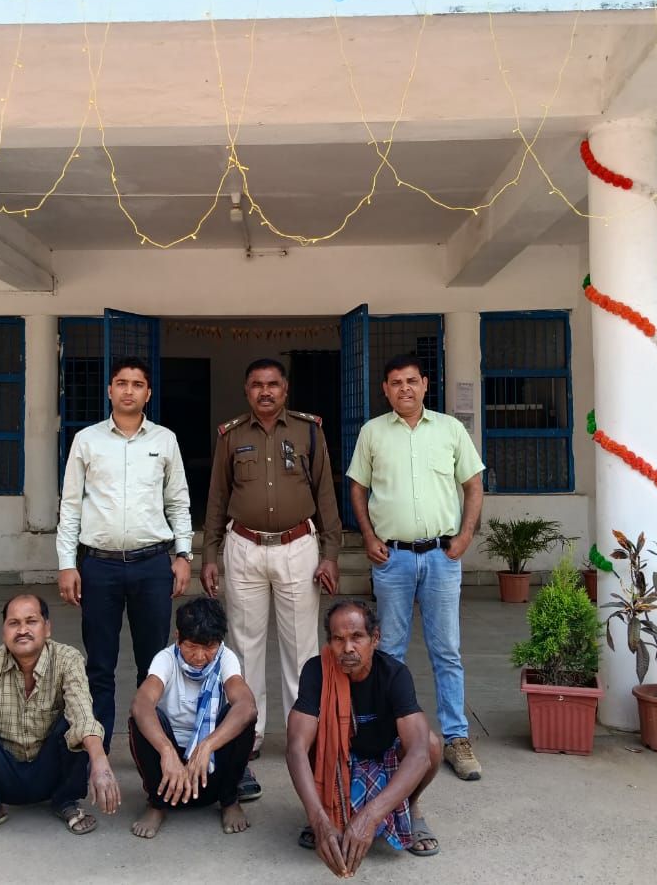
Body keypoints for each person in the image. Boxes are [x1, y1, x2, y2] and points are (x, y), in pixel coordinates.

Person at [201, 357, 342, 800]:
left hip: (298, 546)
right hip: (243, 546)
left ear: (285, 389)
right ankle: (250, 730)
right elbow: (217, 498)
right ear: (246, 390)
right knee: (245, 645)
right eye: (257, 385)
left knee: (301, 646)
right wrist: (210, 554)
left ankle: (303, 729)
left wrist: (331, 555)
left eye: (273, 384)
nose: (265, 391)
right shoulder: (230, 436)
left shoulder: (309, 431)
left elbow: (325, 494)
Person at [346, 354, 485, 782]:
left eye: (411, 381)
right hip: (393, 558)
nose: (404, 388)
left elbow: (473, 484)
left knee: (447, 650)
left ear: (425, 384)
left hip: (442, 556)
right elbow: (357, 488)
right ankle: (388, 736)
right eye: (395, 382)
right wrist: (368, 536)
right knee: (389, 650)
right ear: (385, 390)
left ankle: (456, 738)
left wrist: (465, 536)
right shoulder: (372, 432)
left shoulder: (450, 429)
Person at [56, 356, 194, 751]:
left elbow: (178, 501)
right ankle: (97, 752)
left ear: (148, 393)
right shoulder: (87, 440)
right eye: (121, 383)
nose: (128, 390)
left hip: (152, 565)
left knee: (153, 665)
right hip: (99, 567)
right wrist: (67, 564)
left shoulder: (164, 440)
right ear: (109, 390)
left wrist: (183, 554)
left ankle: (149, 749)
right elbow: (70, 507)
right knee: (100, 664)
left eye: (137, 384)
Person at [0, 594, 121, 842]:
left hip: (50, 771)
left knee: (77, 725)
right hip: (4, 774)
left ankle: (65, 801)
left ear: (47, 628)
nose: (22, 630)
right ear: (4, 631)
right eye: (14, 623)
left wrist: (100, 762)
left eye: (31, 621)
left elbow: (82, 715)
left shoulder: (67, 659)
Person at [286, 600, 443, 878]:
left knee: (430, 744)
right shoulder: (316, 670)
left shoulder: (394, 674)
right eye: (338, 639)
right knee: (306, 740)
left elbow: (419, 753)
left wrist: (370, 818)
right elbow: (296, 748)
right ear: (329, 642)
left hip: (383, 757)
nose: (347, 648)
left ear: (375, 638)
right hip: (337, 761)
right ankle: (325, 814)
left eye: (357, 637)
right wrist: (317, 819)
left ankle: (410, 806)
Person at [127, 596, 258, 839]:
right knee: (140, 718)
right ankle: (156, 804)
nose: (199, 656)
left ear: (220, 642)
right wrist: (167, 751)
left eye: (209, 647)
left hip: (210, 766)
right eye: (192, 646)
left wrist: (207, 745)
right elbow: (141, 704)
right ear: (178, 637)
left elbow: (246, 706)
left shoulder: (226, 658)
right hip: (169, 771)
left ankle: (229, 801)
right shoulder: (165, 659)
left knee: (243, 718)